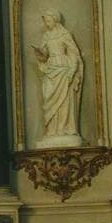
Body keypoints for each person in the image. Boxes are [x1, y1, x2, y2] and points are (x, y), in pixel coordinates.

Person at [32, 8, 83, 148]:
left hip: (63, 69)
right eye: (45, 21)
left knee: (64, 100)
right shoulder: (46, 36)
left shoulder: (65, 34)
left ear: (55, 20)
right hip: (50, 70)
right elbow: (44, 55)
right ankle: (52, 130)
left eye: (48, 20)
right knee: (48, 97)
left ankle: (64, 128)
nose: (46, 23)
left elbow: (73, 53)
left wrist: (72, 71)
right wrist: (40, 54)